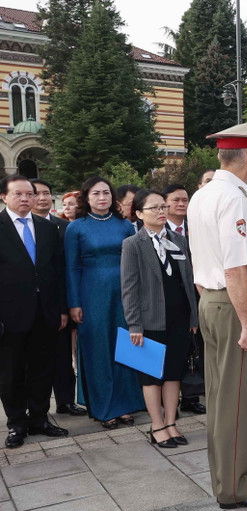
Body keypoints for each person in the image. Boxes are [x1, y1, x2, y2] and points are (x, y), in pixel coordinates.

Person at [188, 121, 247, 510]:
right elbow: (237, 268)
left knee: (221, 396)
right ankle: (233, 488)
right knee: (237, 401)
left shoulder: (203, 195)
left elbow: (202, 260)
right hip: (233, 304)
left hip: (212, 301)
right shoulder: (236, 199)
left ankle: (230, 476)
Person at [120, 190, 198, 449]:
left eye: (163, 206)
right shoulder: (132, 244)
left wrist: (194, 316)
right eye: (154, 208)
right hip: (149, 320)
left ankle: (171, 422)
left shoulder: (179, 240)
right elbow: (129, 288)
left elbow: (188, 281)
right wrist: (134, 325)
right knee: (152, 376)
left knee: (174, 373)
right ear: (139, 214)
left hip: (180, 317)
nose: (161, 211)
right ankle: (157, 425)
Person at [65, 177, 143, 428]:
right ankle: (103, 407)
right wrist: (74, 302)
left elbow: (135, 261)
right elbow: (72, 267)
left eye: (107, 193)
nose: (102, 197)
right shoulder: (76, 228)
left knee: (126, 345)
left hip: (125, 293)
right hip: (91, 294)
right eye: (96, 193)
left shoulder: (125, 226)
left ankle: (126, 403)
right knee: (98, 349)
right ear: (86, 198)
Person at [0, 175, 69, 448]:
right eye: (19, 194)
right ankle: (17, 423)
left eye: (30, 194)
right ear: (4, 197)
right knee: (11, 371)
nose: (26, 199)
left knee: (43, 368)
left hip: (46, 311)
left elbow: (57, 271)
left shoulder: (47, 228)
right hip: (9, 315)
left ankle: (40, 417)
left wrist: (62, 308)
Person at [31, 179, 86, 417]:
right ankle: (34, 409)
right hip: (27, 307)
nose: (42, 198)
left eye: (47, 193)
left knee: (63, 357)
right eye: (37, 194)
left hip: (59, 305)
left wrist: (65, 307)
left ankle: (65, 401)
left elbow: (67, 270)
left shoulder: (64, 227)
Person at [162, 184, 206, 416]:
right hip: (169, 301)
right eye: (176, 200)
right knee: (170, 352)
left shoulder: (196, 228)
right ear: (165, 203)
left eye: (185, 200)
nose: (181, 204)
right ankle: (167, 402)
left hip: (197, 295)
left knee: (194, 348)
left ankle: (191, 396)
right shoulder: (156, 231)